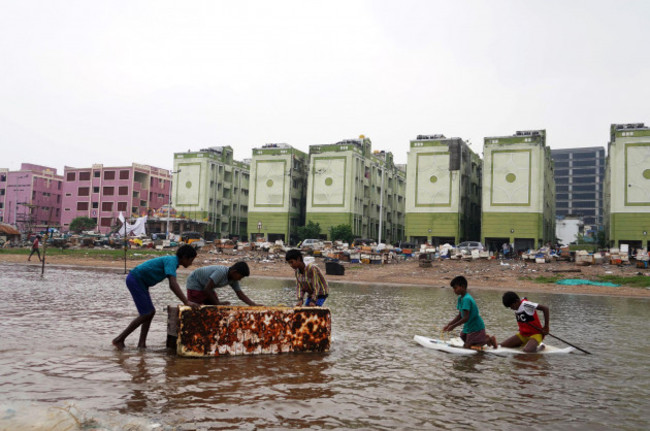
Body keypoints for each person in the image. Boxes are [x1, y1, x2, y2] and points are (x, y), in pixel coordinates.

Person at [112, 245, 198, 350]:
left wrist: (186, 301)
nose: (191, 263)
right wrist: (186, 302)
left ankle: (141, 344)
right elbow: (173, 284)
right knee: (147, 313)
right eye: (191, 260)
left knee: (149, 312)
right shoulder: (172, 261)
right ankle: (119, 339)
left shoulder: (172, 262)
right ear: (184, 257)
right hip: (136, 280)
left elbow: (172, 283)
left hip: (140, 282)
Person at [443, 276, 497, 349]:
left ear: (462, 287)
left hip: (475, 328)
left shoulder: (466, 299)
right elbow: (460, 316)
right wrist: (449, 324)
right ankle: (482, 338)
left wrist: (453, 326)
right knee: (462, 343)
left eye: (455, 288)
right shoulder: (460, 298)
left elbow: (465, 318)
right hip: (468, 328)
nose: (454, 290)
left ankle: (488, 340)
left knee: (469, 347)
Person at [185, 262, 261, 306]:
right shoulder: (221, 272)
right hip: (195, 282)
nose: (240, 279)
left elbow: (240, 294)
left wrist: (254, 305)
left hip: (207, 287)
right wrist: (218, 303)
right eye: (240, 276)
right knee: (196, 307)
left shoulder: (233, 279)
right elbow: (207, 289)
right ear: (234, 272)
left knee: (215, 308)